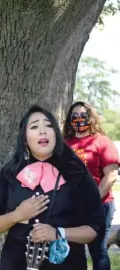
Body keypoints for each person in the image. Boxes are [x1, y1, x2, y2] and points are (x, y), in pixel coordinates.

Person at [0, 105, 105, 269]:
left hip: (67, 263)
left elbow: (94, 229)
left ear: (56, 134)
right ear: (25, 138)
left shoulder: (77, 172)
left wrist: (58, 233)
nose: (43, 131)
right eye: (34, 126)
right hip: (16, 262)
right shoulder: (9, 172)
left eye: (48, 126)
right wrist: (17, 215)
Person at [63, 101, 119, 270]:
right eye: (74, 116)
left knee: (98, 251)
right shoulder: (64, 143)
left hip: (100, 205)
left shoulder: (102, 142)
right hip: (71, 208)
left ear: (90, 118)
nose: (79, 119)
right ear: (69, 120)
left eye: (83, 116)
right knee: (73, 251)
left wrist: (91, 200)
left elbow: (111, 175)